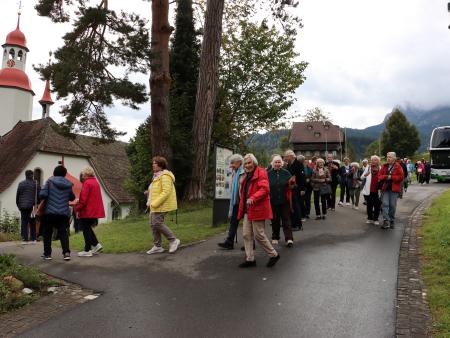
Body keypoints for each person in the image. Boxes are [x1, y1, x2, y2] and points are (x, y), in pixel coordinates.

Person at [238, 153, 280, 268]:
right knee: (246, 234)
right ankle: (250, 259)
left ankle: (274, 255)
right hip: (248, 209)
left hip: (258, 208)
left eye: (249, 162)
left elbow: (264, 189)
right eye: (245, 163)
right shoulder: (246, 175)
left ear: (254, 162)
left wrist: (253, 197)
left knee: (259, 235)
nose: (247, 165)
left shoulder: (261, 172)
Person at [39, 165, 75, 261]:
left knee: (47, 232)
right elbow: (72, 198)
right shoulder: (68, 184)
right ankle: (66, 253)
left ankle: (47, 254)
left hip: (49, 212)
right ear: (64, 174)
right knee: (63, 232)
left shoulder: (49, 181)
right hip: (63, 213)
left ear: (54, 172)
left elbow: (42, 194)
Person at [146, 156, 181, 255]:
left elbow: (166, 192)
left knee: (157, 223)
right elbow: (156, 189)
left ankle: (173, 240)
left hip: (161, 204)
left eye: (155, 163)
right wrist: (148, 192)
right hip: (155, 204)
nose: (153, 165)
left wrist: (155, 202)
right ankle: (157, 246)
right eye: (153, 163)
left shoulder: (165, 176)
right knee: (153, 225)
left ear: (161, 165)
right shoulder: (157, 175)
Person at [75, 167, 105, 257]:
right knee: (88, 228)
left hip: (87, 210)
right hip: (94, 210)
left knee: (86, 229)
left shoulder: (87, 183)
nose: (82, 176)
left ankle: (87, 250)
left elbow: (83, 199)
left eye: (83, 174)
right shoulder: (95, 182)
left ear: (86, 174)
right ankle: (96, 245)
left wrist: (77, 207)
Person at [218, 154, 245, 250]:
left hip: (244, 202)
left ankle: (251, 243)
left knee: (248, 224)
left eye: (232, 163)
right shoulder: (235, 172)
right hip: (236, 202)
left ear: (239, 162)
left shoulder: (244, 172)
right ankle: (229, 242)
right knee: (233, 222)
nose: (230, 166)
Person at [268, 155, 294, 247]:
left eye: (279, 162)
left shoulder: (286, 173)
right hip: (273, 200)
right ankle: (275, 237)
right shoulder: (268, 173)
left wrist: (292, 184)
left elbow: (292, 184)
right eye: (276, 162)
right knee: (275, 220)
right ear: (272, 163)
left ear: (282, 163)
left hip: (284, 200)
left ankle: (289, 238)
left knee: (286, 219)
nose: (277, 164)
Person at [378, 152, 404, 229]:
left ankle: (391, 220)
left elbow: (401, 177)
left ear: (394, 158)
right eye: (387, 157)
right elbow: (379, 176)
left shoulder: (398, 166)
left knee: (392, 205)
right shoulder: (384, 166)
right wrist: (386, 176)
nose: (388, 158)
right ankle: (386, 221)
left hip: (394, 189)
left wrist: (392, 177)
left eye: (390, 157)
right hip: (385, 188)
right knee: (385, 204)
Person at [284, 150, 306, 231]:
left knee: (297, 206)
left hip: (298, 188)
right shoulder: (289, 164)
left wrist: (303, 189)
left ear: (291, 156)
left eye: (286, 156)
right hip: (291, 188)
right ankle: (293, 223)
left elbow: (303, 177)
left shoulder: (299, 164)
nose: (285, 158)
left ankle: (298, 225)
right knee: (292, 205)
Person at [16, 170, 39, 244]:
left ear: (25, 175)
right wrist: (37, 205)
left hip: (23, 206)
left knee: (24, 222)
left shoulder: (21, 184)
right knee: (32, 222)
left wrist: (19, 205)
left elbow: (18, 196)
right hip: (32, 206)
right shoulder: (35, 184)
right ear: (32, 175)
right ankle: (33, 239)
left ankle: (24, 239)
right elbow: (39, 195)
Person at [363, 155, 382, 225]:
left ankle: (376, 219)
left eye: (375, 160)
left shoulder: (380, 168)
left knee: (377, 205)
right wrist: (365, 175)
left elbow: (382, 178)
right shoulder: (368, 168)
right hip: (369, 190)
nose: (373, 161)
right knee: (369, 205)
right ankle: (369, 218)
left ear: (378, 161)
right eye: (372, 160)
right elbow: (362, 177)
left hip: (378, 190)